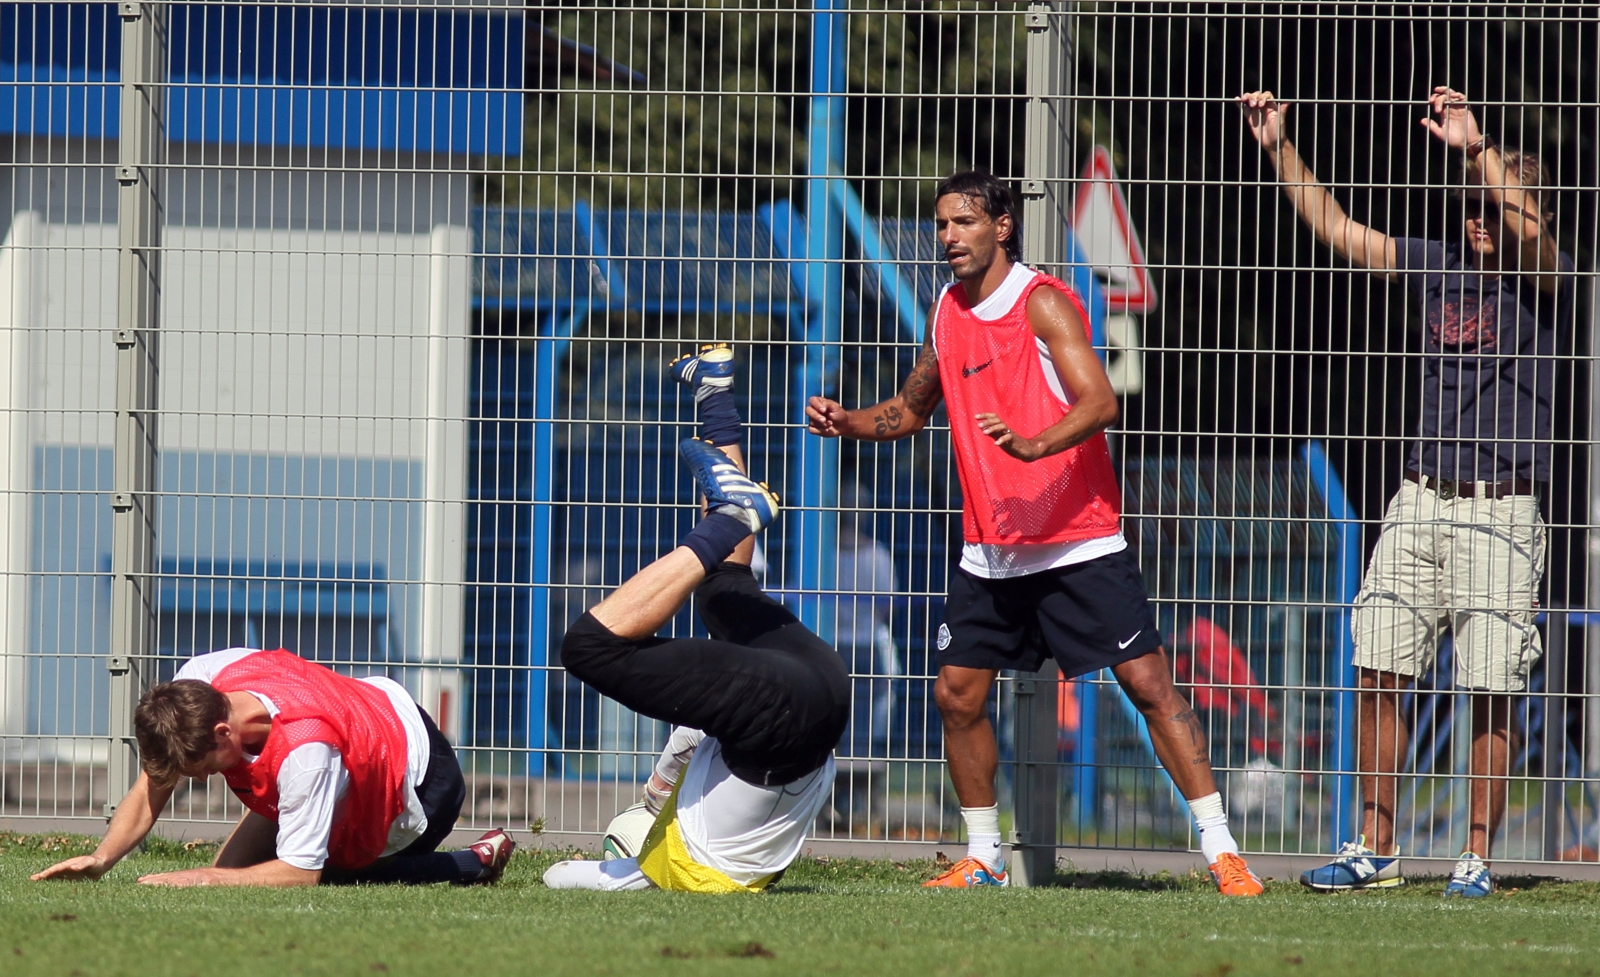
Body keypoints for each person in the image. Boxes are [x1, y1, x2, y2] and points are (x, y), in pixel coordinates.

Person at [804, 172, 1262, 895]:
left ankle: (1222, 849)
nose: (948, 236)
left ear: (1002, 226)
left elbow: (1100, 402)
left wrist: (1031, 444)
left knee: (1149, 686)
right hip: (991, 549)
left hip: (1077, 541)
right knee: (956, 694)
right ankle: (983, 856)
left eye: (963, 222)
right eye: (942, 224)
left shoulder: (1042, 301)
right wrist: (850, 422)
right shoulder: (947, 313)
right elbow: (911, 408)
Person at [1240, 87, 1574, 897]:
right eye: (1468, 207)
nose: (1477, 220)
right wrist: (1280, 147)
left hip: (1503, 504)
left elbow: (1529, 231)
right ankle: (1375, 848)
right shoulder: (1435, 264)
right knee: (1379, 665)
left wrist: (1475, 148)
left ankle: (1476, 855)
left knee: (1490, 686)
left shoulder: (1546, 275)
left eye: (1489, 205)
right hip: (1419, 498)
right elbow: (1334, 226)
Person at [544, 345, 850, 893]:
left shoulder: (698, 861)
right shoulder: (677, 863)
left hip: (822, 695)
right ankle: (731, 513)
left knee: (715, 591)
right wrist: (653, 799)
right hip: (785, 714)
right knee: (594, 647)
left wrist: (655, 799)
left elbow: (698, 726)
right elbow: (561, 875)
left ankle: (715, 397)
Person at [31, 649, 513, 887]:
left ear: (223, 734)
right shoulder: (199, 682)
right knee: (236, 877)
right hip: (366, 715)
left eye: (198, 768)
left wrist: (202, 876)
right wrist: (101, 859)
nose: (195, 780)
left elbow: (299, 873)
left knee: (332, 873)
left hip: (421, 781)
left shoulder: (307, 755)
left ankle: (471, 862)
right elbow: (153, 784)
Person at [828, 482, 904, 829]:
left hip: (834, 644)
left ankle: (837, 803)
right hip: (865, 645)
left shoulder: (824, 555)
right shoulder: (878, 555)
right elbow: (886, 608)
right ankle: (859, 805)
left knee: (836, 723)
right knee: (864, 730)